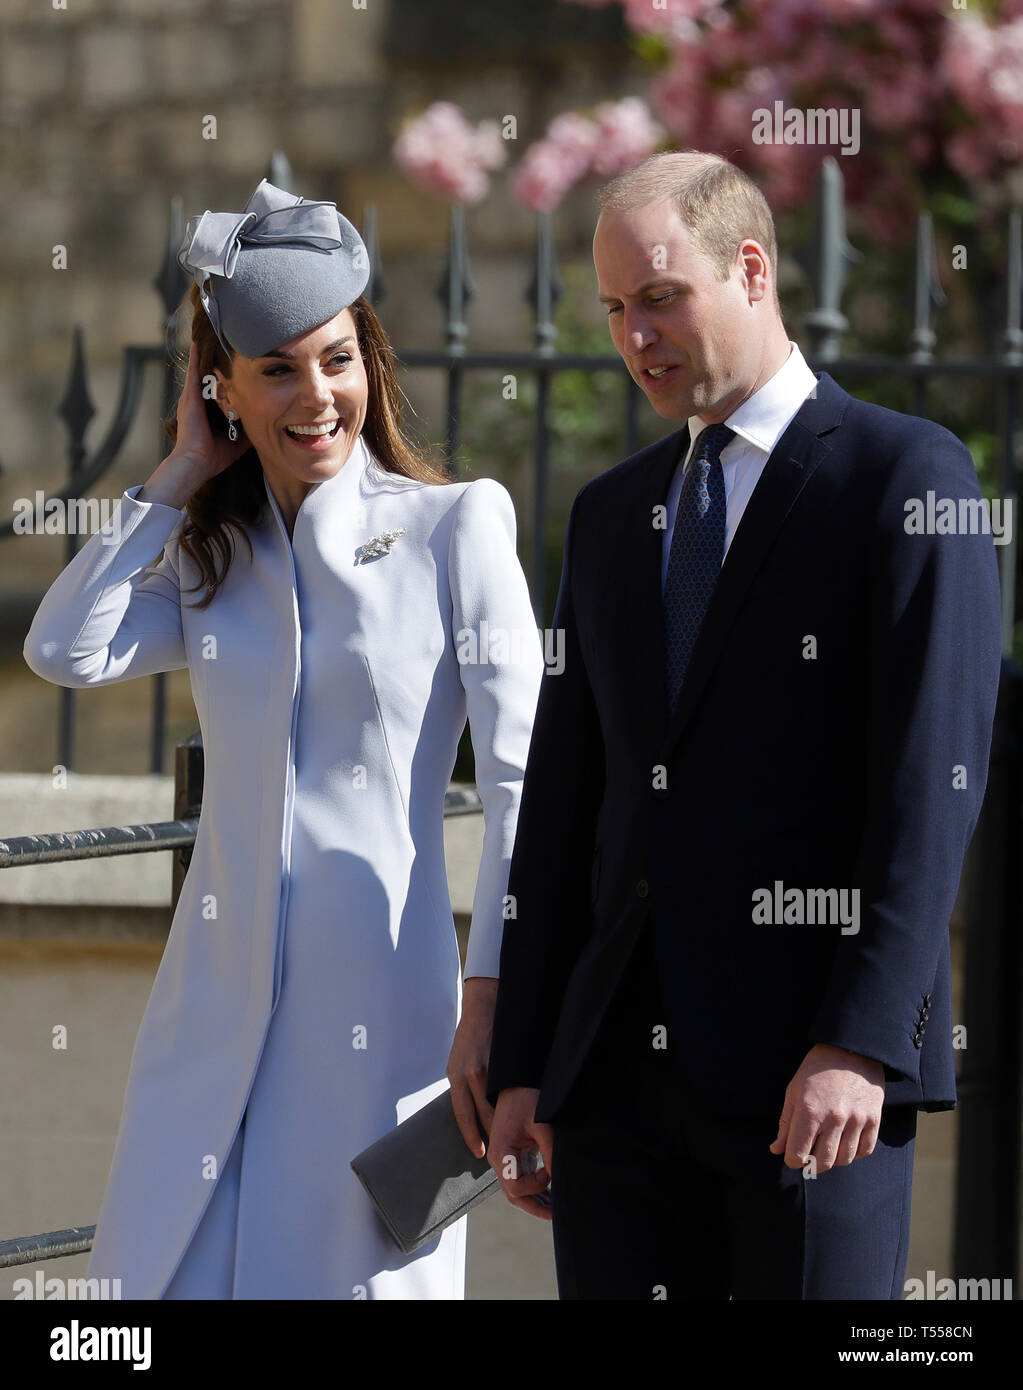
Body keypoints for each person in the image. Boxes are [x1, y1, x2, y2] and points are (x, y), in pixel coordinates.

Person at [485, 150, 1003, 1299]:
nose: (636, 336)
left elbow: (932, 787)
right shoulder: (613, 515)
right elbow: (567, 806)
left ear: (752, 269)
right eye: (617, 310)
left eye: (662, 297)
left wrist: (861, 1042)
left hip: (812, 1090)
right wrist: (527, 1061)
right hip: (617, 1092)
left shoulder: (904, 477)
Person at [22, 177, 543, 1299]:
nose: (318, 395)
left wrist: (494, 999)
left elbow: (522, 788)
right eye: (278, 369)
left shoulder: (458, 527)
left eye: (338, 358)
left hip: (386, 1025)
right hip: (208, 1021)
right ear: (223, 393)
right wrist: (177, 476)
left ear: (371, 363)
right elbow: (64, 650)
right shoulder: (217, 563)